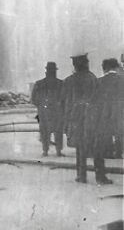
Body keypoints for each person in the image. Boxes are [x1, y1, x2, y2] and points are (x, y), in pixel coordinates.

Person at [62, 52, 98, 182]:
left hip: (75, 117)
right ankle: (100, 176)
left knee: (80, 147)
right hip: (91, 116)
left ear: (75, 65)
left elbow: (64, 102)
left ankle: (81, 175)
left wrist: (66, 121)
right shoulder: (92, 78)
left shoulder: (69, 81)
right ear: (86, 64)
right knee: (95, 146)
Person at [88, 58, 124, 185]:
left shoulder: (98, 82)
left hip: (103, 120)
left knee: (99, 148)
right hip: (121, 119)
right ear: (116, 67)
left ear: (105, 69)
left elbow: (92, 103)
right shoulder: (122, 81)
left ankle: (100, 176)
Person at [31, 62, 64, 156]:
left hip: (44, 112)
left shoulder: (39, 84)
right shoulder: (61, 84)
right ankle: (58, 151)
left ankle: (45, 151)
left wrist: (41, 106)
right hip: (57, 112)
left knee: (45, 131)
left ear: (46, 71)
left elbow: (33, 99)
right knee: (58, 131)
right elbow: (65, 98)